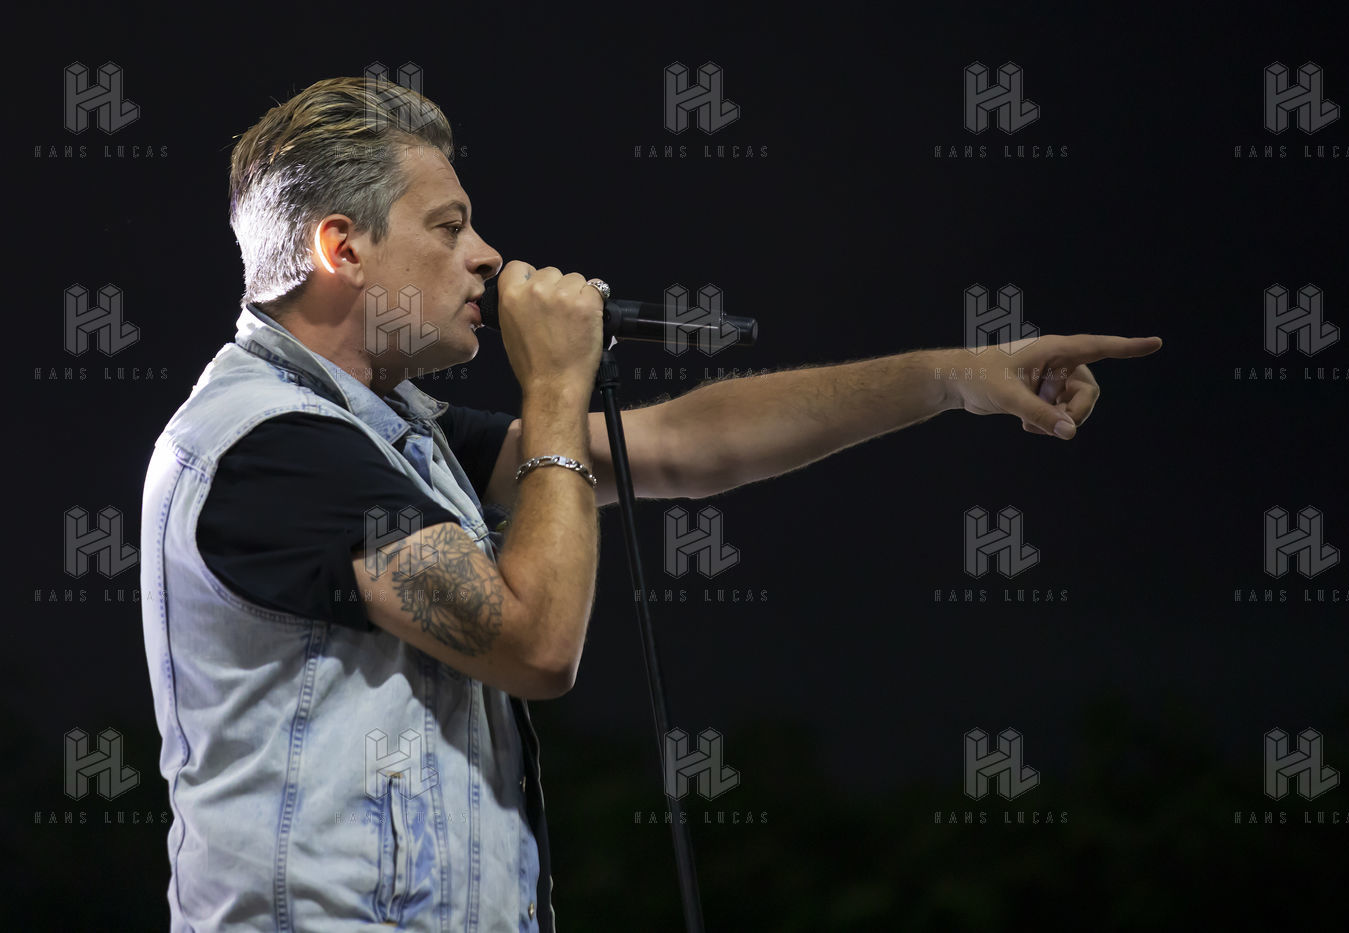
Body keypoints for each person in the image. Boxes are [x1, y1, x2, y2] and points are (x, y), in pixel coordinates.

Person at [139, 75, 1161, 932]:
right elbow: (535, 643)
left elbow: (682, 445)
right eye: (448, 227)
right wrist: (553, 384)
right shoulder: (272, 449)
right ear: (342, 248)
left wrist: (953, 378)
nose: (488, 255)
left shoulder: (386, 432)